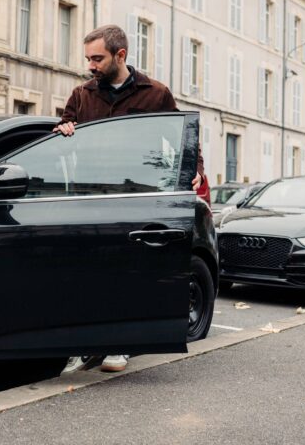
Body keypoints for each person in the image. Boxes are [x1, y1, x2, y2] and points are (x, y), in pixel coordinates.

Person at [56, 24, 210, 374]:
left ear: (120, 55)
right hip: (91, 197)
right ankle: (86, 342)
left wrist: (194, 169)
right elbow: (63, 127)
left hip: (138, 197)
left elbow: (183, 138)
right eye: (88, 59)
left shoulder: (155, 94)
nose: (91, 65)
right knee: (89, 273)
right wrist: (64, 128)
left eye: (97, 58)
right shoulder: (81, 94)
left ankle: (121, 343)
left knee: (129, 272)